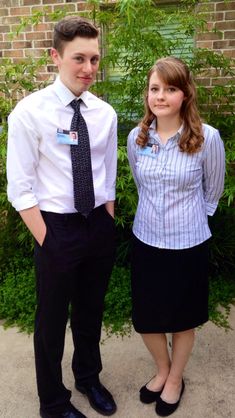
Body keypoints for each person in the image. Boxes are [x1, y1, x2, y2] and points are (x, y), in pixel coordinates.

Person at [7, 16, 117, 418]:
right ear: (56, 56)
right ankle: (53, 401)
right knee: (51, 321)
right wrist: (48, 239)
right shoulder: (29, 112)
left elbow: (108, 176)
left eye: (94, 59)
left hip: (97, 227)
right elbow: (19, 187)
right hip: (55, 228)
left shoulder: (104, 113)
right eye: (79, 59)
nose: (89, 69)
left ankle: (88, 377)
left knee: (91, 312)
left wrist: (106, 220)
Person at [127, 56, 225, 417]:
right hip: (147, 240)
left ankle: (176, 378)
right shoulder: (136, 139)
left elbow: (213, 191)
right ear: (148, 94)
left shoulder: (206, 138)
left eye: (170, 88)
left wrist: (195, 219)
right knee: (148, 318)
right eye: (155, 89)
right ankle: (163, 369)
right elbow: (140, 184)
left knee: (183, 317)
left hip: (188, 244)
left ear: (185, 94)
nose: (161, 96)